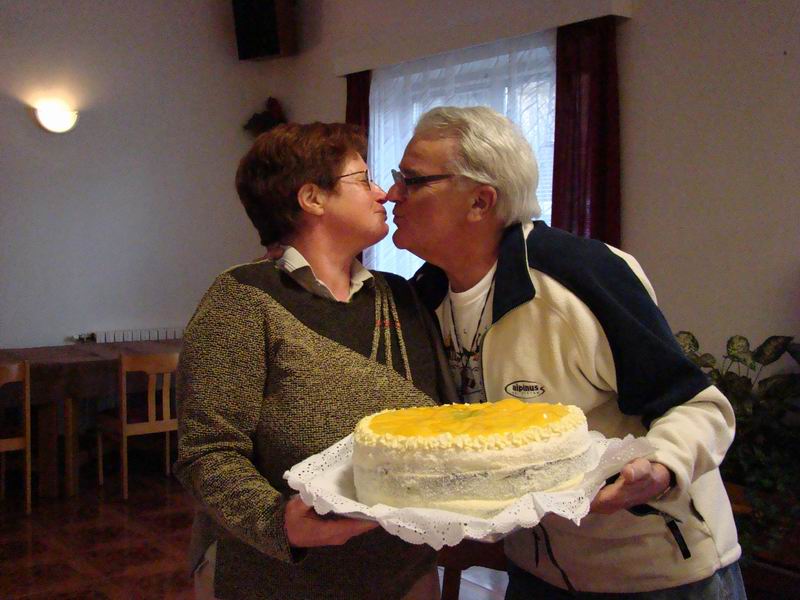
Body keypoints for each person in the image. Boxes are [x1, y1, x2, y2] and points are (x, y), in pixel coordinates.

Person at [385, 106, 745, 598]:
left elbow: (700, 408)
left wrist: (661, 467)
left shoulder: (581, 275)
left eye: (411, 181)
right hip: (535, 573)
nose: (392, 195)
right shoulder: (423, 297)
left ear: (480, 202)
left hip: (657, 573)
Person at [175, 122, 456, 600]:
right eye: (363, 180)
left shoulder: (403, 297)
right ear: (312, 198)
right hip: (274, 580)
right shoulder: (241, 300)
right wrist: (277, 522)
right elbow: (207, 451)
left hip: (405, 574)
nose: (384, 194)